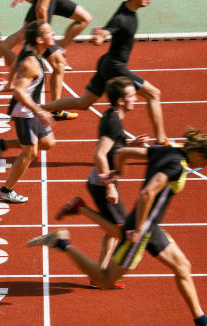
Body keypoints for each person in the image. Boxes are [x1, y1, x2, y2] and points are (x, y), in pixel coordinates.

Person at [29, 128, 207, 326]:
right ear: (200, 155)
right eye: (206, 163)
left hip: (150, 226)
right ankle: (62, 243)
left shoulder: (165, 151)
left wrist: (117, 173)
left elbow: (122, 153)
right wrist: (138, 228)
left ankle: (202, 324)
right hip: (143, 227)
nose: (203, 167)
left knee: (182, 266)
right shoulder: (176, 165)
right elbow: (148, 192)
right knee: (104, 281)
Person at [56, 76, 147, 289]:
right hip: (101, 183)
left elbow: (113, 147)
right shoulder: (114, 121)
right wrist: (110, 186)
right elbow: (100, 154)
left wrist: (131, 144)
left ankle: (101, 273)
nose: (136, 98)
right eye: (132, 95)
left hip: (100, 180)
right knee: (122, 233)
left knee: (112, 231)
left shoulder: (112, 116)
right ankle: (81, 209)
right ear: (121, 101)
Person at [42, 0, 168, 145]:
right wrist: (99, 37)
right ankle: (161, 141)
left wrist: (101, 35)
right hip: (115, 67)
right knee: (153, 93)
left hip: (107, 63)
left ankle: (38, 108)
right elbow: (104, 34)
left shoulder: (126, 8)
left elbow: (108, 29)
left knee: (83, 103)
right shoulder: (121, 18)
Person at [0, 20, 56, 204]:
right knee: (30, 152)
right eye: (50, 33)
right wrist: (39, 111)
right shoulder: (31, 63)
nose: (54, 35)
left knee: (48, 143)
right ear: (40, 39)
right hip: (24, 113)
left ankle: (2, 143)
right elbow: (19, 91)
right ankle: (6, 190)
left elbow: (13, 60)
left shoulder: (33, 53)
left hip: (32, 110)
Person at [0, 0, 93, 121]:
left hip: (52, 5)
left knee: (24, 39)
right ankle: (56, 109)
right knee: (49, 63)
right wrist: (46, 33)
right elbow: (40, 9)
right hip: (43, 15)